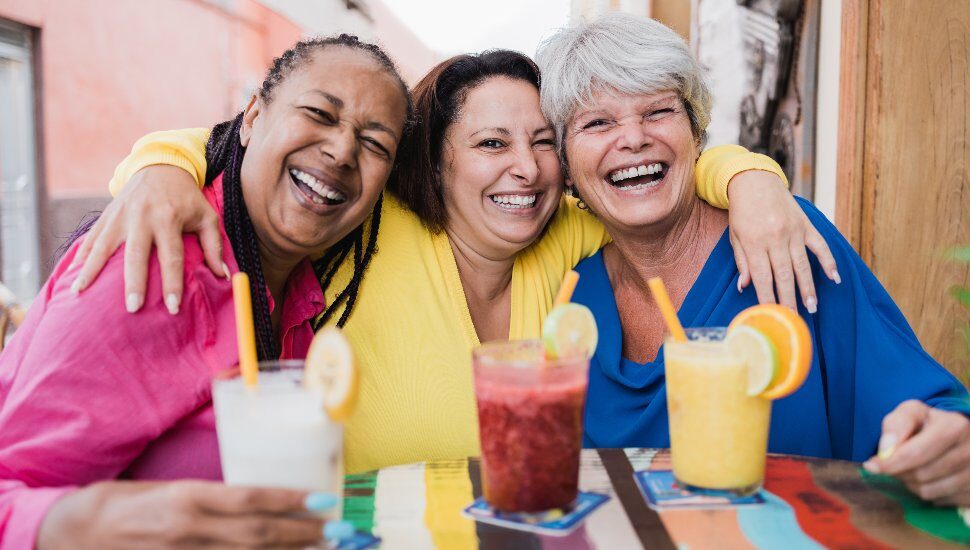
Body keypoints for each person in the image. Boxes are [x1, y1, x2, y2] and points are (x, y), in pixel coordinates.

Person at [72, 51, 837, 474]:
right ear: (434, 166)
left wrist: (752, 179)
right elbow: (256, 152)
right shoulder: (372, 223)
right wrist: (156, 168)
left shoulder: (565, 236)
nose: (527, 170)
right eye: (491, 144)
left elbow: (653, 173)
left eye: (543, 142)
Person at [535, 12, 970, 506]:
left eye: (658, 112)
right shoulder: (574, 302)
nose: (633, 138)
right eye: (598, 122)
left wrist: (948, 442)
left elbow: (920, 400)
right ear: (566, 168)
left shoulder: (782, 238)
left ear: (696, 136)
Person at [0, 35, 411, 547]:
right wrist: (80, 522)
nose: (343, 149)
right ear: (254, 117)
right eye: (320, 114)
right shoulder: (158, 266)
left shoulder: (302, 292)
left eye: (375, 144)